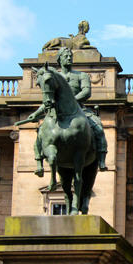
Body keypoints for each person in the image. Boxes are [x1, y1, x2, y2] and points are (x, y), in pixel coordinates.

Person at [28, 47, 107, 178]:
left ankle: (102, 160)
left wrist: (71, 101)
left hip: (80, 110)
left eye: (70, 56)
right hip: (57, 112)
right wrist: (36, 113)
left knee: (98, 127)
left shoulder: (82, 75)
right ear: (59, 59)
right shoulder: (53, 77)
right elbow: (48, 98)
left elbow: (86, 92)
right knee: (41, 131)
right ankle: (39, 162)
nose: (69, 58)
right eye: (66, 56)